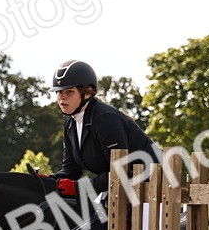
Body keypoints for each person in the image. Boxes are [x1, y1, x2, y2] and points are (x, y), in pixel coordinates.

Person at [48, 60, 160, 196]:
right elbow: (71, 170)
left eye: (69, 92)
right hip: (122, 188)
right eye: (59, 92)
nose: (62, 98)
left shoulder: (105, 119)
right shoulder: (70, 123)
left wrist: (78, 188)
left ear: (87, 93)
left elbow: (121, 171)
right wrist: (49, 181)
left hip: (153, 187)